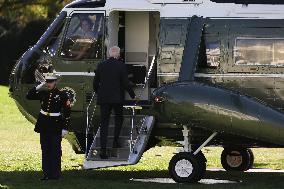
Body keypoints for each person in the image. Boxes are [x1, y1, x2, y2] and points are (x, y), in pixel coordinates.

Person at [93, 46, 136, 159]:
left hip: (104, 99)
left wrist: (100, 93)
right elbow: (126, 83)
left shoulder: (101, 65)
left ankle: (103, 150)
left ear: (109, 54)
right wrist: (133, 95)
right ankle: (115, 141)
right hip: (117, 98)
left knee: (104, 123)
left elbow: (95, 83)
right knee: (118, 118)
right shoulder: (121, 65)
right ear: (117, 55)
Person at [26, 73, 71, 181]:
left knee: (55, 150)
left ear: (55, 82)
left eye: (51, 82)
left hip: (55, 125)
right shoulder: (43, 93)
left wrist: (65, 128)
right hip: (44, 125)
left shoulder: (62, 95)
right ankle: (46, 174)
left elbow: (67, 111)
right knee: (45, 149)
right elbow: (28, 95)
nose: (49, 84)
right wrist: (40, 86)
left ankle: (55, 175)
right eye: (47, 82)